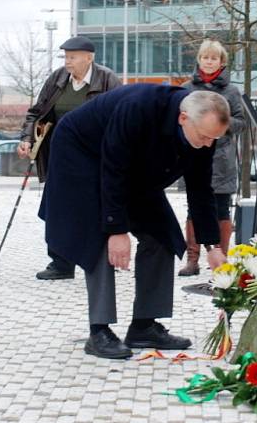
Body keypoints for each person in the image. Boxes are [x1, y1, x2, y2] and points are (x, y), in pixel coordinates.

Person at [39, 85, 230, 359]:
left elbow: (200, 188)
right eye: (204, 137)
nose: (208, 144)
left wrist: (212, 245)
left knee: (162, 235)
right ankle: (99, 332)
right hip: (83, 153)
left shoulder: (203, 135)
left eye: (214, 139)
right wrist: (116, 229)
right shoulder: (139, 108)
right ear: (183, 118)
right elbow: (113, 166)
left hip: (132, 166)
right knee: (99, 237)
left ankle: (144, 326)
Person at [17, 35, 121, 281]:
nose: (68, 62)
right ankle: (61, 262)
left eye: (73, 57)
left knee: (95, 207)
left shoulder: (107, 79)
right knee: (58, 209)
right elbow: (37, 111)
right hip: (59, 156)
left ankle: (102, 257)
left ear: (89, 57)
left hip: (95, 157)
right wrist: (27, 138)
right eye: (66, 57)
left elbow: (121, 114)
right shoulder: (57, 79)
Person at [179, 39, 246, 276]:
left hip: (221, 158)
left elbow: (240, 122)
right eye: (205, 57)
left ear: (221, 62)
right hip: (193, 154)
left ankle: (221, 258)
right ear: (199, 60)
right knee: (193, 208)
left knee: (221, 208)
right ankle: (192, 258)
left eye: (214, 58)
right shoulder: (186, 88)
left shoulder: (231, 91)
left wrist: (218, 127)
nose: (209, 61)